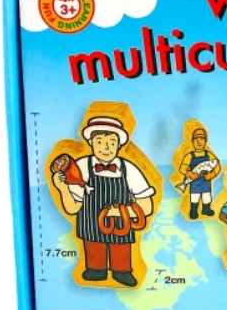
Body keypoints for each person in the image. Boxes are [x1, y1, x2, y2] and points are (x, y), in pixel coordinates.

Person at [51, 115, 156, 288]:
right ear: (91, 143)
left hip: (121, 228)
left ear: (119, 145)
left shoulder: (129, 168)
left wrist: (122, 212)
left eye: (111, 142)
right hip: (90, 226)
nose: (106, 148)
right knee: (94, 251)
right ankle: (95, 268)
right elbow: (73, 208)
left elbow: (146, 205)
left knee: (120, 251)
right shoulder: (81, 166)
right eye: (100, 142)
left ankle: (122, 270)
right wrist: (62, 188)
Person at [177, 126, 219, 219]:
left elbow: (217, 165)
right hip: (194, 183)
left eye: (202, 139)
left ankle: (206, 209)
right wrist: (189, 174)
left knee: (206, 197)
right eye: (196, 139)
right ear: (192, 141)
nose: (199, 141)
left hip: (206, 182)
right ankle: (193, 211)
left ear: (205, 141)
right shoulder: (189, 156)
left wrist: (212, 174)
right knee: (194, 197)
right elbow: (182, 168)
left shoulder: (209, 155)